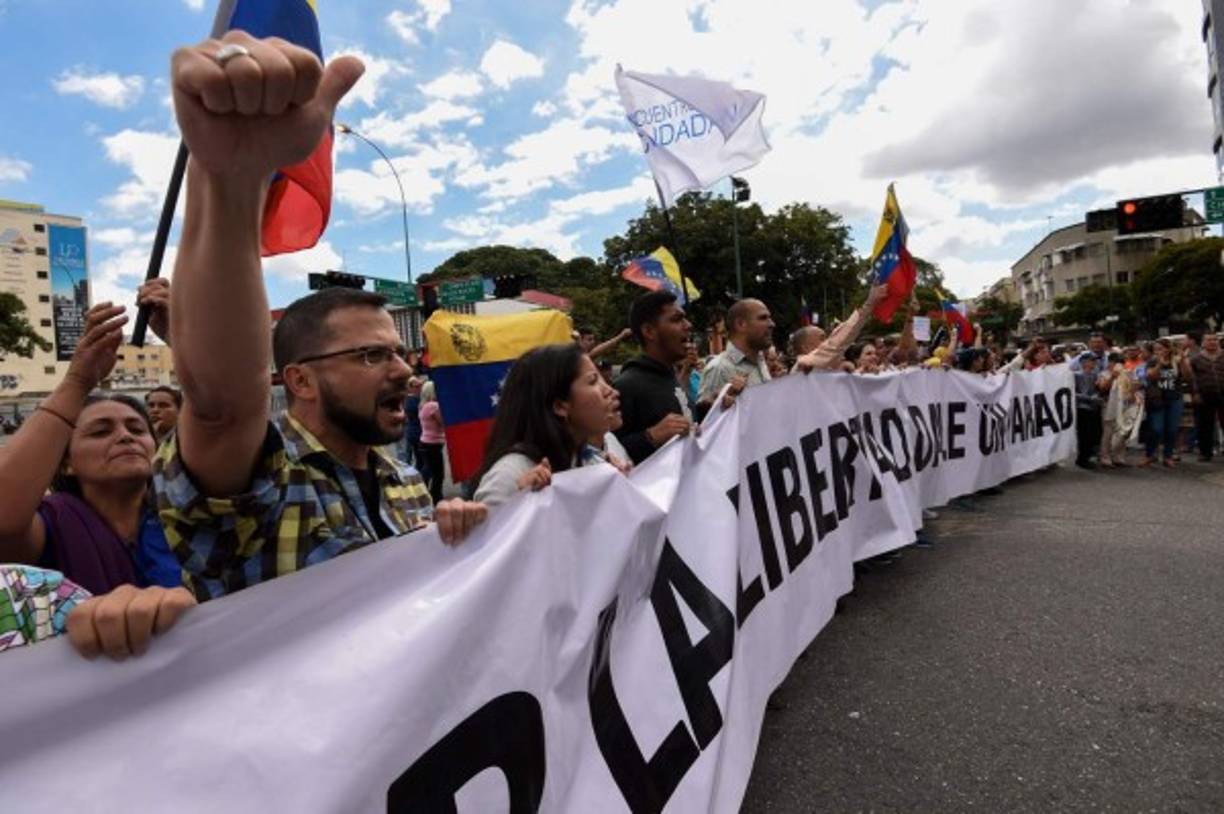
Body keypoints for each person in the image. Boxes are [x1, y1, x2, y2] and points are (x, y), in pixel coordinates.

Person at [155, 32, 485, 602]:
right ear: (299, 378)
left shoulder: (405, 481)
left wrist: (456, 539)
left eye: (398, 353)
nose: (405, 372)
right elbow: (221, 409)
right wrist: (233, 185)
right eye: (371, 355)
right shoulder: (268, 483)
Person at [0, 303, 183, 597]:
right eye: (101, 431)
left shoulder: (185, 512)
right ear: (65, 464)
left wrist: (181, 337)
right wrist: (78, 381)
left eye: (137, 429)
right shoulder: (51, 527)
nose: (125, 437)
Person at [473, 344, 622, 507]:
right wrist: (519, 505)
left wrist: (621, 490)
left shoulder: (597, 458)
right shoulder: (510, 476)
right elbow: (490, 531)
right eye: (593, 381)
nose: (610, 391)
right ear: (560, 406)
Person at [613, 291, 695, 465]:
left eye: (685, 319)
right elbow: (606, 454)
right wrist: (650, 437)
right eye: (676, 319)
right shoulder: (626, 386)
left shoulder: (669, 376)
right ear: (649, 331)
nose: (688, 325)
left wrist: (711, 407)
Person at [697, 297, 775, 413]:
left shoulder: (760, 362)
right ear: (740, 324)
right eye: (763, 318)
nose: (772, 324)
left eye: (769, 318)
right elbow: (708, 423)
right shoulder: (719, 368)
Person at [1139, 339, 1185, 468]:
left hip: (1174, 398)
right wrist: (1160, 362)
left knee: (1172, 429)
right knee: (1156, 429)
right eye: (1156, 349)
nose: (1159, 351)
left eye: (1161, 349)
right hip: (1157, 399)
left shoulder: (1176, 361)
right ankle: (1150, 454)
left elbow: (1188, 376)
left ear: (1168, 349)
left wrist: (1183, 361)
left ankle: (1168, 456)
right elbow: (1151, 376)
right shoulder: (1152, 361)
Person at [1189, 332, 1224, 461]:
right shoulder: (1196, 359)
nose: (1212, 342)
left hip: (1223, 393)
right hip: (1205, 395)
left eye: (1215, 340)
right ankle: (1205, 452)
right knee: (1205, 425)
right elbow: (1193, 378)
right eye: (1209, 340)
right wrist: (1196, 393)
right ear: (1203, 342)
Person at [1073, 352, 1104, 469]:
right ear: (1084, 362)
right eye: (1091, 361)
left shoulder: (1095, 375)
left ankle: (1090, 455)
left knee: (1094, 433)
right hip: (1082, 408)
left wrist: (1097, 395)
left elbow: (1097, 389)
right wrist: (1089, 398)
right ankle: (1082, 458)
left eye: (1094, 361)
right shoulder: (1076, 375)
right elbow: (1073, 393)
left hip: (1094, 408)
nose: (1094, 363)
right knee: (1083, 435)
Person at [418, 380, 446, 504]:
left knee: (428, 469)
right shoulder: (434, 406)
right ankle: (436, 497)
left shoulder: (423, 405)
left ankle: (423, 494)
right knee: (438, 474)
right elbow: (442, 422)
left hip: (425, 439)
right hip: (433, 443)